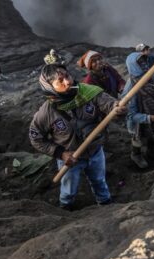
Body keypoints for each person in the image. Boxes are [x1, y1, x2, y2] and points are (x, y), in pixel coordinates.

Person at [28, 63, 125, 210]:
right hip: (70, 158)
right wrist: (61, 153)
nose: (67, 82)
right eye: (60, 81)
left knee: (99, 181)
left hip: (95, 151)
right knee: (69, 189)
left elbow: (109, 103)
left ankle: (105, 204)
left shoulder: (90, 93)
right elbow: (36, 137)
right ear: (49, 87)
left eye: (67, 76)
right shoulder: (46, 112)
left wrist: (116, 108)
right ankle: (66, 208)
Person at [122, 51, 154, 169]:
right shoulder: (131, 87)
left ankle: (152, 151)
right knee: (138, 137)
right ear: (133, 66)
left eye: (144, 61)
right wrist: (150, 118)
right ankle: (136, 154)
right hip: (140, 120)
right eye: (140, 62)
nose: (144, 65)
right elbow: (131, 114)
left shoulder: (153, 77)